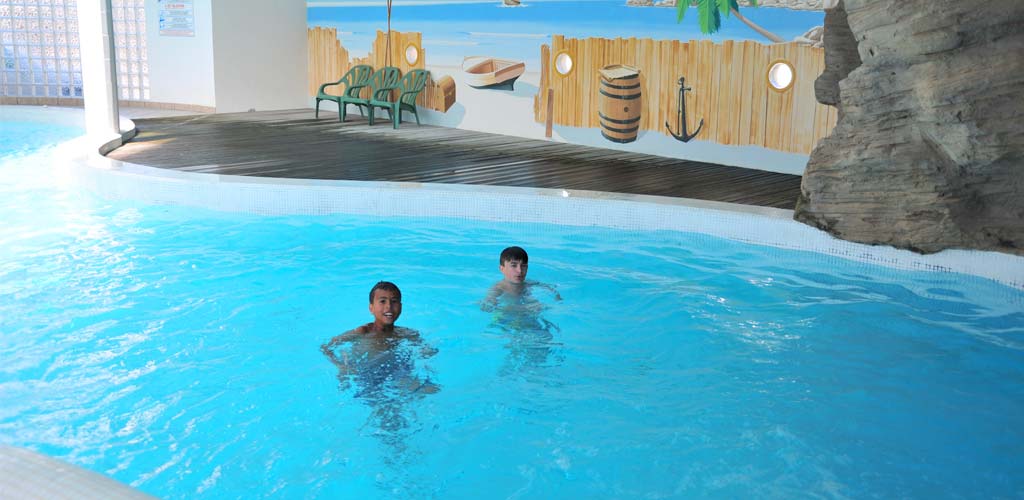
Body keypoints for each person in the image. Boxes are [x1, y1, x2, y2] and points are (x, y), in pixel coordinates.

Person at [321, 281, 439, 399]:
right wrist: (341, 366)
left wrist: (426, 351)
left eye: (394, 301)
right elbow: (326, 347)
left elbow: (426, 350)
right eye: (382, 301)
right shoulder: (363, 332)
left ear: (401, 307)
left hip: (398, 371)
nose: (389, 307)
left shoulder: (407, 333)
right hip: (368, 375)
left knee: (432, 390)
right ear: (371, 308)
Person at [481, 246, 561, 312]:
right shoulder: (499, 288)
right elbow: (486, 307)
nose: (519, 271)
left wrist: (557, 296)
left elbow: (547, 287)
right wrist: (525, 308)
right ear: (502, 269)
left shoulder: (527, 283)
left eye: (523, 266)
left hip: (527, 313)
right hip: (506, 320)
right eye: (513, 265)